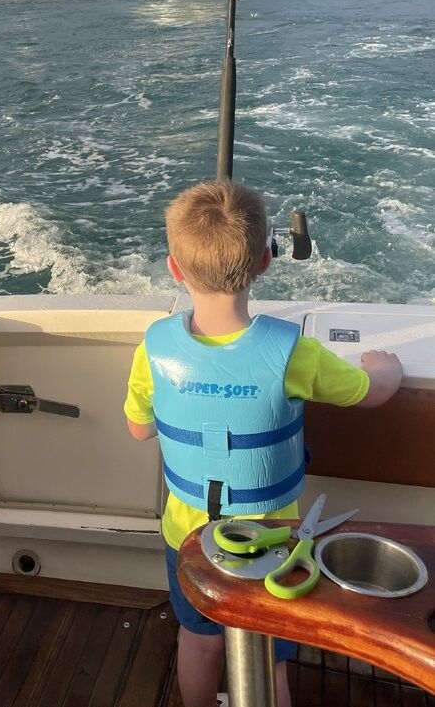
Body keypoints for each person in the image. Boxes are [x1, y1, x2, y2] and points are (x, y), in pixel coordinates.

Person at [124, 180, 403, 707]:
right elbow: (369, 393)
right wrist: (380, 369)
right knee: (270, 655)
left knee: (199, 640)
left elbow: (139, 428)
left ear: (174, 269)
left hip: (187, 535)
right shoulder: (293, 352)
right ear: (265, 262)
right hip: (271, 537)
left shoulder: (154, 348)